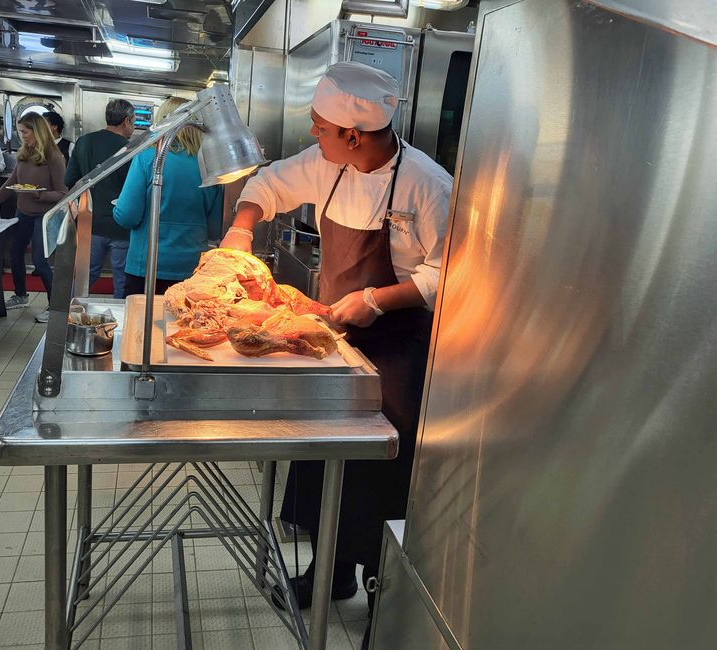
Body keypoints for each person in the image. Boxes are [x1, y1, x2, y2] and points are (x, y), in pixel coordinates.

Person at [219, 61, 452, 649]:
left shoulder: (428, 182)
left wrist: (376, 299)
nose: (313, 135)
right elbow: (267, 185)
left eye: (320, 126)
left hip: (398, 344)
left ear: (354, 134)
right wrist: (242, 230)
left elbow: (448, 272)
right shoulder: (328, 165)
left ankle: (382, 590)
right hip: (333, 335)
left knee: (378, 465)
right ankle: (329, 573)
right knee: (320, 450)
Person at [114, 97, 222, 295]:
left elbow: (127, 216)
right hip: (192, 269)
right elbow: (216, 229)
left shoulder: (148, 158)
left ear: (163, 123)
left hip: (146, 266)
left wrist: (117, 207)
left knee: (141, 323)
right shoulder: (212, 166)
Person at [0, 113, 68, 324]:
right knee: (15, 253)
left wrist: (39, 194)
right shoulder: (24, 154)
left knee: (39, 260)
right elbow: (11, 183)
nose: (23, 136)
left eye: (25, 132)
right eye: (21, 132)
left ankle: (55, 306)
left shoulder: (55, 158)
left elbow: (63, 193)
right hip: (23, 213)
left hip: (42, 217)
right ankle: (20, 295)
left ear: (37, 132)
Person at [65, 99, 135, 298]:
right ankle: (122, 326)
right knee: (122, 281)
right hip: (121, 226)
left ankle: (67, 317)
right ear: (127, 120)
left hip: (89, 223)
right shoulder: (131, 149)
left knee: (84, 277)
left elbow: (69, 179)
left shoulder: (84, 142)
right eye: (134, 121)